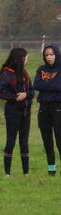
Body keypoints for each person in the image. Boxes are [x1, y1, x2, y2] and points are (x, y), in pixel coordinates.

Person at [0, 48, 34, 176]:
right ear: (21, 59)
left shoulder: (25, 73)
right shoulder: (7, 74)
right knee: (11, 141)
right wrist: (14, 97)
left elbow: (32, 92)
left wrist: (26, 94)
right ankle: (7, 173)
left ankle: (26, 173)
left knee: (24, 142)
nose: (27, 59)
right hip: (12, 113)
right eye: (26, 57)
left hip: (26, 113)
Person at [31, 43, 61, 176]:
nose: (49, 57)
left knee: (59, 140)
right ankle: (51, 168)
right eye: (46, 55)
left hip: (58, 108)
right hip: (43, 108)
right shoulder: (41, 69)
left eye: (51, 54)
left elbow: (59, 86)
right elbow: (36, 85)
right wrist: (52, 85)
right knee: (47, 140)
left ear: (56, 54)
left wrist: (46, 85)